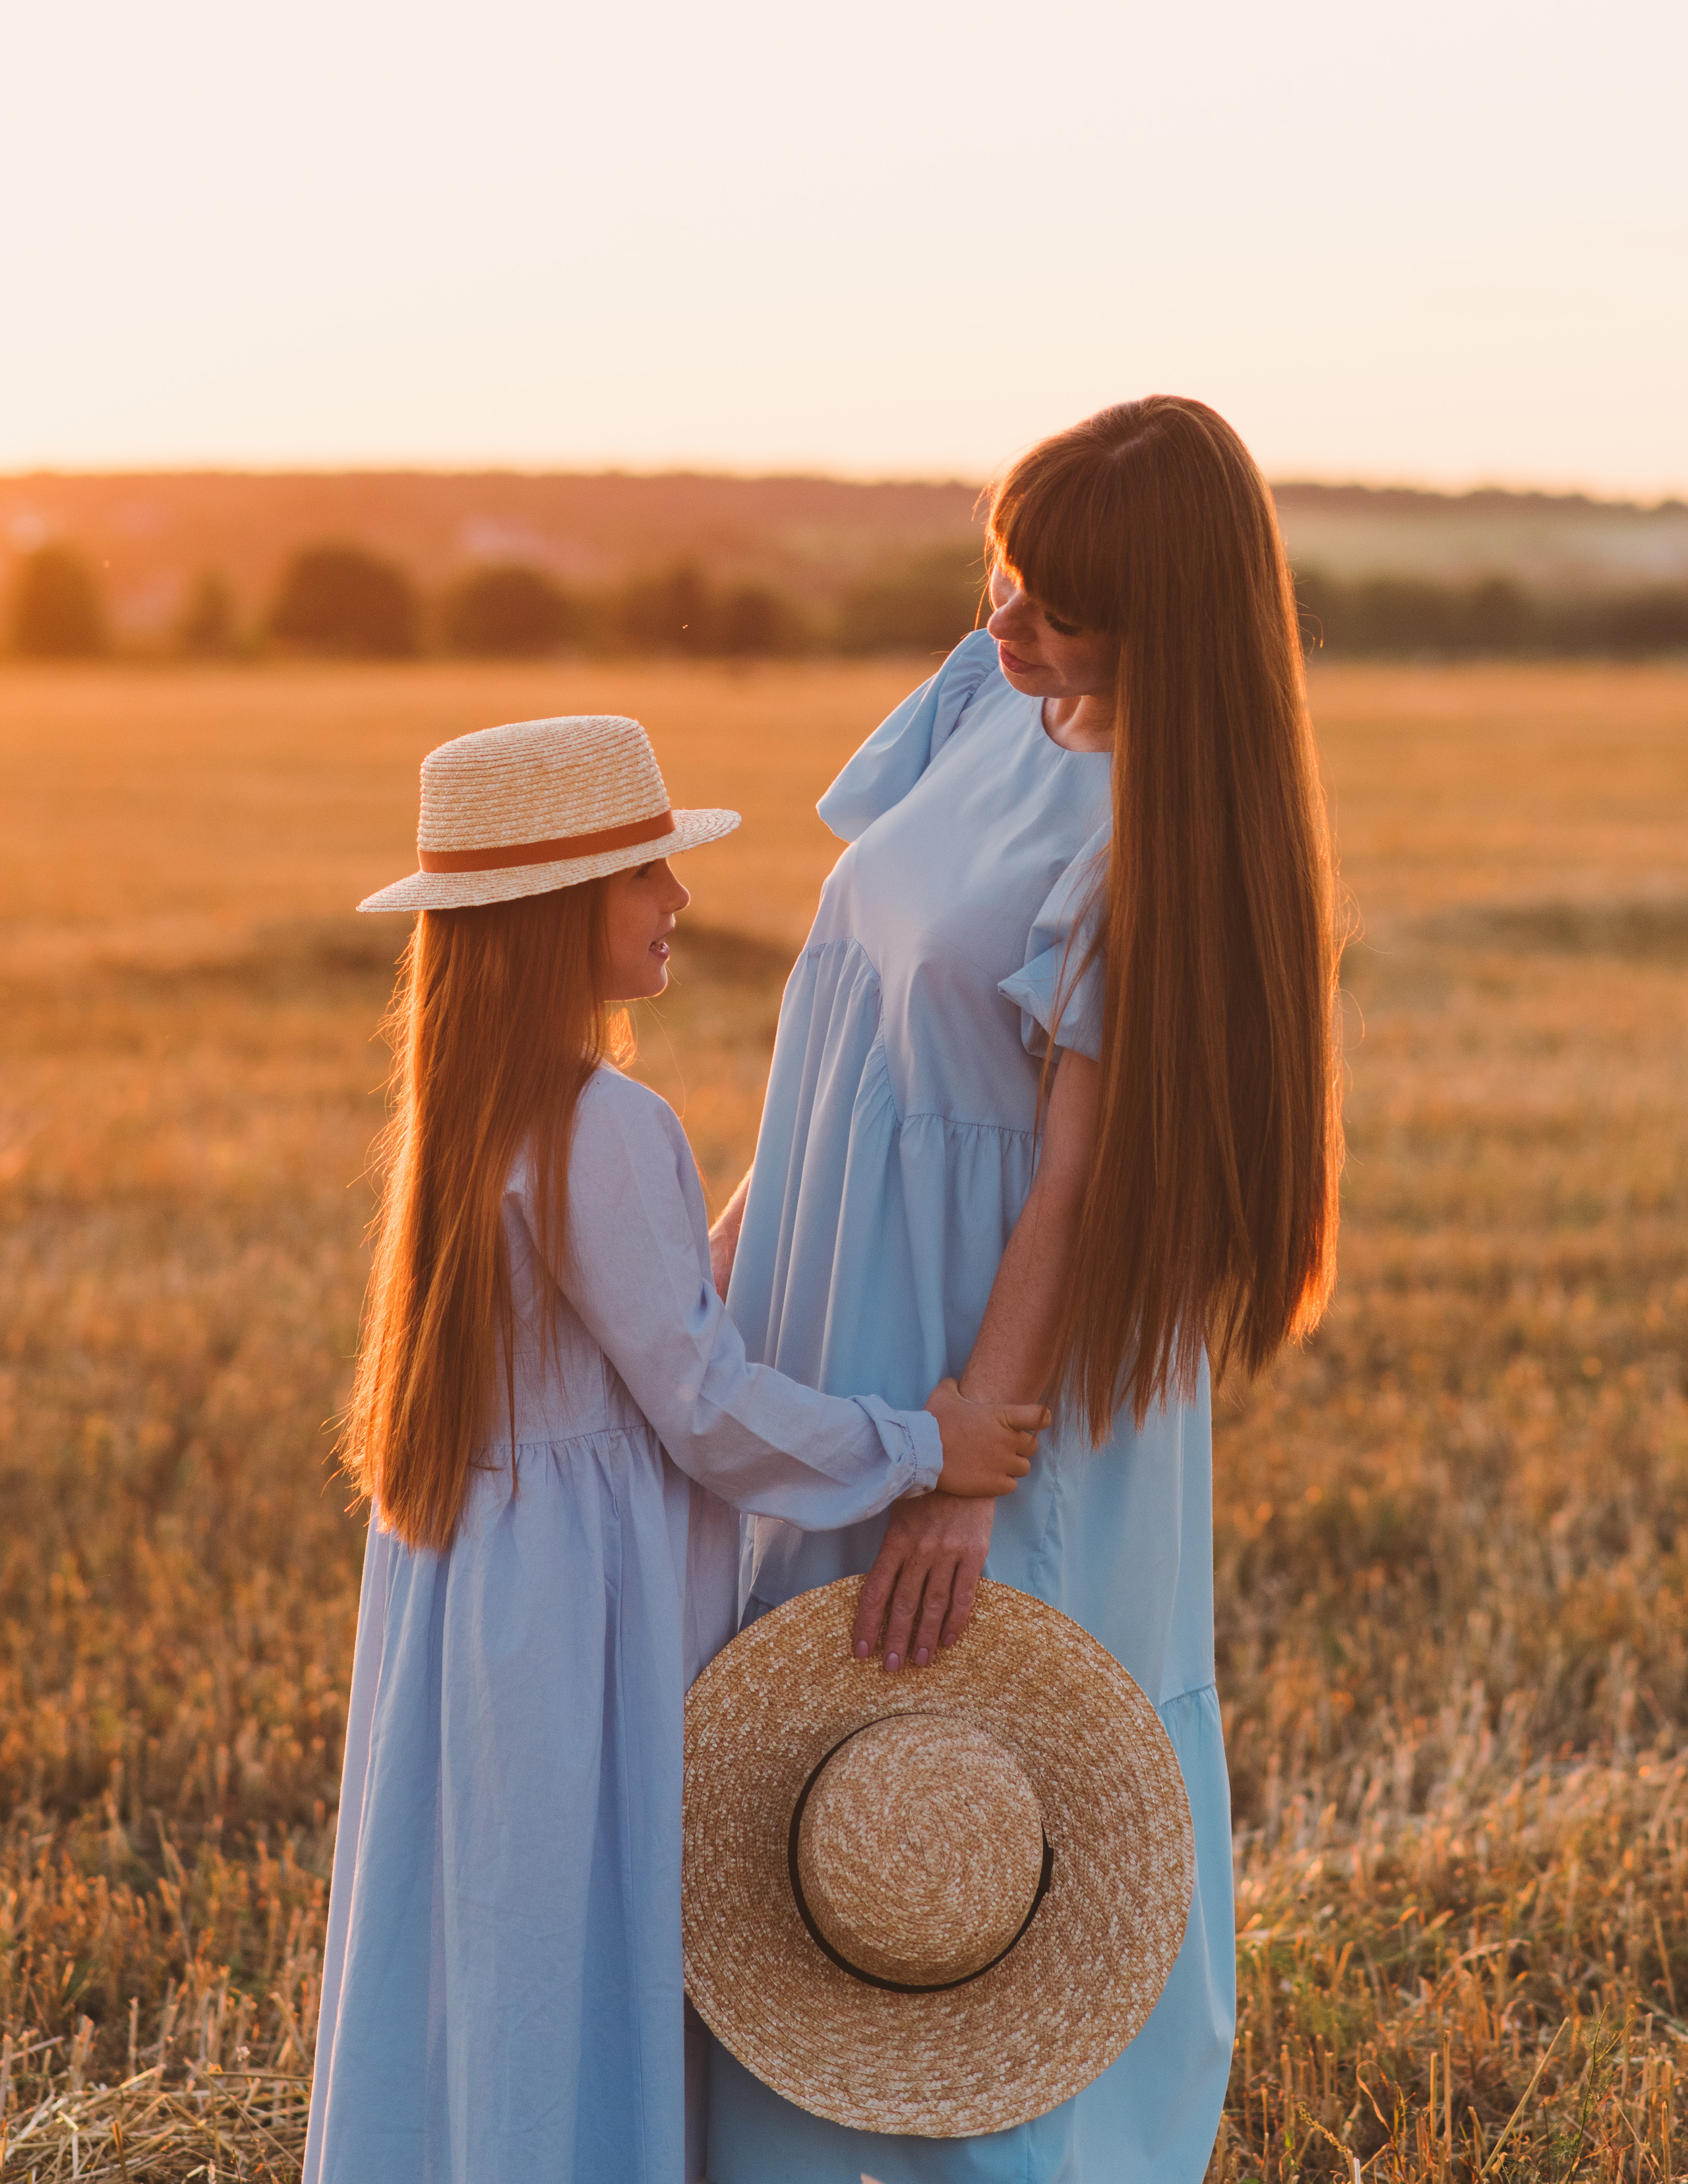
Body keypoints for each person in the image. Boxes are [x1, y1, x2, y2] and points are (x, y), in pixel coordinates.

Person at [706, 398, 1343, 2183]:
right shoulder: (986, 698)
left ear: (1171, 624)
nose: (1007, 623)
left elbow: (1078, 1178)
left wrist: (970, 1474)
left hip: (1004, 1349)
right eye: (1006, 572)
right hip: (852, 1292)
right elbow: (843, 1013)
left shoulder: (1161, 836)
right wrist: (728, 1255)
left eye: (1057, 606)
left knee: (986, 1792)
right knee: (815, 1794)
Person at [300, 715, 1044, 2184]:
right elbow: (699, 1407)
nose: (677, 902)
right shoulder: (602, 1119)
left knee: (486, 1943)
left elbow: (615, 1325)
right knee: (581, 1940)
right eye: (645, 872)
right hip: (582, 1614)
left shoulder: (470, 1115)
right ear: (559, 912)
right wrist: (921, 1444)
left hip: (479, 1600)